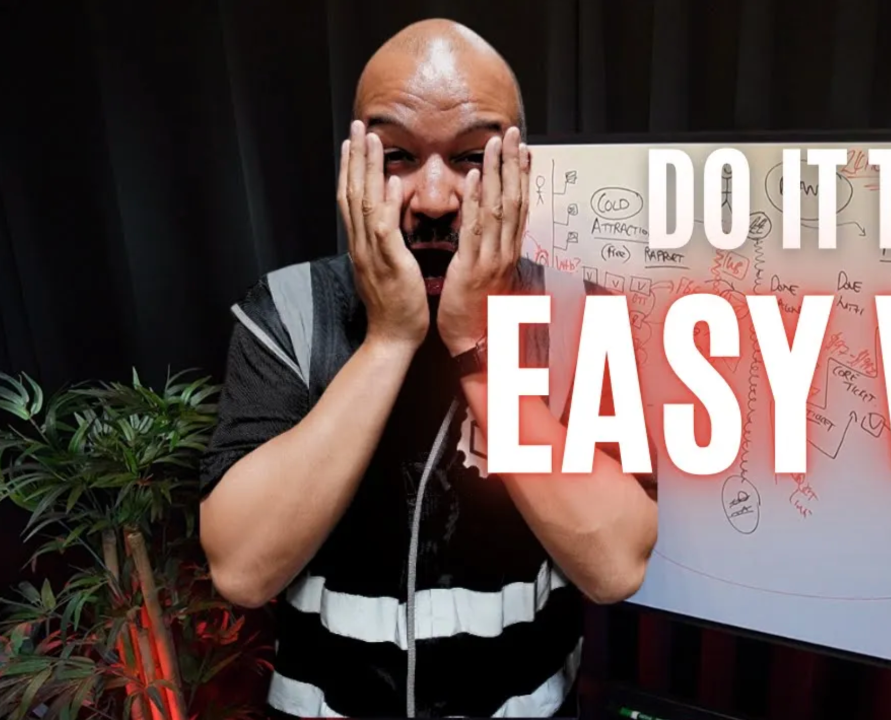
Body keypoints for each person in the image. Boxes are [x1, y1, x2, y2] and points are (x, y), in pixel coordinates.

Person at [197, 19, 659, 719]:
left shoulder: (581, 316)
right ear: (354, 169)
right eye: (397, 156)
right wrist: (388, 340)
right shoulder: (288, 309)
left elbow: (616, 566)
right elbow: (241, 569)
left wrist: (477, 347)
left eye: (472, 156)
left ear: (518, 171)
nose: (436, 199)